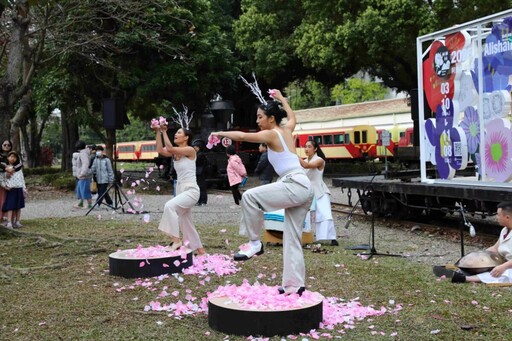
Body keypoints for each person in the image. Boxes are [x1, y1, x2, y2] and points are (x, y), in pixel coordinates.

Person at [210, 89, 313, 295]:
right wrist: (282, 98)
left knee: (248, 197)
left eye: (260, 117)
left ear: (271, 118)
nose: (257, 121)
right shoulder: (286, 129)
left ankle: (255, 243)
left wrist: (220, 133)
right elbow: (293, 117)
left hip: (294, 184)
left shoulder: (271, 133)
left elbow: (242, 136)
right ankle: (294, 285)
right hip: (304, 186)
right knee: (292, 238)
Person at [154, 125, 206, 255]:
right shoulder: (175, 153)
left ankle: (176, 240)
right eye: (175, 133)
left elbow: (170, 148)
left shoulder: (190, 150)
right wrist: (157, 132)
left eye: (178, 133)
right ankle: (201, 251)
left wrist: (164, 131)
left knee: (169, 206)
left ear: (186, 137)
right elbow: (160, 150)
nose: (175, 135)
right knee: (186, 222)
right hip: (180, 189)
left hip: (191, 190)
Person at [434, 201, 512, 283]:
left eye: (498, 215)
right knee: (488, 268)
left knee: (503, 273)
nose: (497, 217)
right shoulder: (504, 230)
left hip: (508, 267)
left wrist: (503, 267)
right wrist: (476, 257)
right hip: (505, 263)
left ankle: (464, 278)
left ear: (507, 217)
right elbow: (495, 248)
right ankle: (462, 271)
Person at [299, 140, 338, 246]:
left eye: (309, 147)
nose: (306, 149)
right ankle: (306, 236)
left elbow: (307, 166)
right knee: (305, 215)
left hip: (320, 190)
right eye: (305, 146)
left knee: (325, 214)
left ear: (315, 148)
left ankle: (331, 238)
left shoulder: (319, 160)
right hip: (308, 191)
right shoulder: (304, 160)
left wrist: (295, 156)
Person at [1, 151, 26, 228]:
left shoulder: (19, 168)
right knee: (10, 206)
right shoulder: (6, 168)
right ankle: (9, 222)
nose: (13, 158)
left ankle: (17, 221)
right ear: (8, 158)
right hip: (11, 189)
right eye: (11, 156)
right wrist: (5, 186)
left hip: (19, 188)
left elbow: (22, 178)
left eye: (14, 157)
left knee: (19, 206)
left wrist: (24, 188)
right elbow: (3, 179)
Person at [0, 140, 22, 222]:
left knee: (7, 199)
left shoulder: (13, 155)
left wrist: (13, 169)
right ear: (1, 145)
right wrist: (5, 168)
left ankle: (8, 218)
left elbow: (20, 164)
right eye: (4, 144)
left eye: (8, 145)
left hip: (10, 181)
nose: (6, 146)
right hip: (1, 179)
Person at [74, 141, 93, 209]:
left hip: (83, 176)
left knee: (85, 190)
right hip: (81, 176)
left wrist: (83, 173)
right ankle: (81, 203)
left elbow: (85, 163)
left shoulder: (83, 154)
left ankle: (89, 205)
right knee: (80, 190)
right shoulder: (83, 152)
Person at [192, 139, 208, 206]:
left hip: (200, 172)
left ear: (198, 147)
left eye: (195, 147)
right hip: (198, 172)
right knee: (198, 187)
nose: (194, 148)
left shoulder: (200, 155)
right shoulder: (198, 154)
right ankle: (199, 200)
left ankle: (203, 201)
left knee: (201, 187)